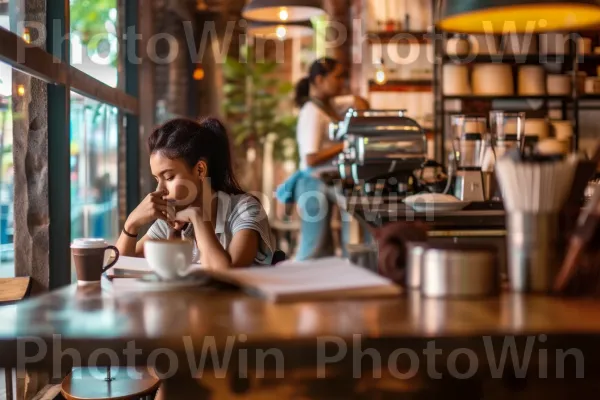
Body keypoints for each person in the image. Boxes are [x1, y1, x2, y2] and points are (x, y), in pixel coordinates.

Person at [116, 118, 275, 269]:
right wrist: (131, 224)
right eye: (157, 179)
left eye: (169, 177)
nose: (159, 190)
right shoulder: (173, 218)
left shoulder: (244, 209)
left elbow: (227, 273)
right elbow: (119, 267)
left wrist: (198, 217)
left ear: (200, 170)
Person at [285, 57, 369, 260]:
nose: (342, 82)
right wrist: (346, 145)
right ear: (320, 79)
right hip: (312, 183)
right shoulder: (312, 112)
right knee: (313, 248)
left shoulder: (327, 106)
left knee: (324, 252)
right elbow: (311, 158)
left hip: (325, 182)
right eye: (338, 77)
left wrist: (347, 97)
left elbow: (362, 104)